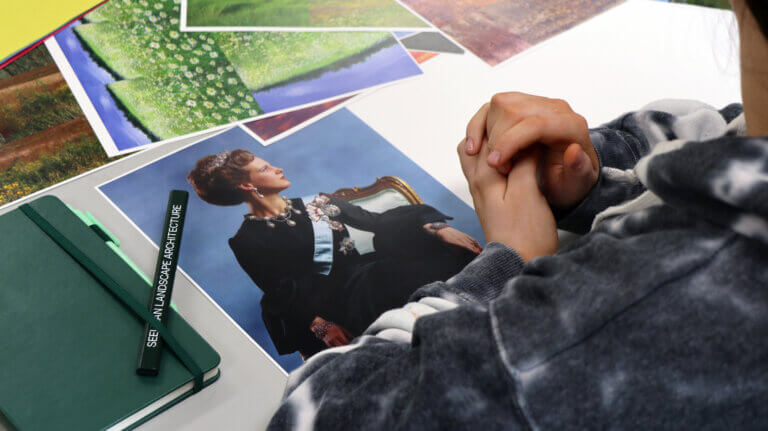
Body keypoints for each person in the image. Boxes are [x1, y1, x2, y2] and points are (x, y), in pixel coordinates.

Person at [266, 0, 768, 429]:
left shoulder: (611, 324)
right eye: (262, 166)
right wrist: (594, 184)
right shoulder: (254, 236)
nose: (273, 168)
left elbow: (317, 414)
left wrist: (507, 258)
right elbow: (725, 132)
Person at [186, 150, 482, 358]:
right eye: (264, 169)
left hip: (370, 277)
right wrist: (321, 325)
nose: (277, 168)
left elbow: (378, 222)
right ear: (247, 185)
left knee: (430, 257)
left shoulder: (319, 203)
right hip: (331, 305)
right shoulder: (246, 240)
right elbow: (279, 293)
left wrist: (436, 227)